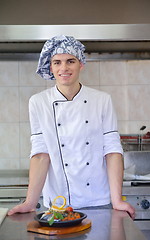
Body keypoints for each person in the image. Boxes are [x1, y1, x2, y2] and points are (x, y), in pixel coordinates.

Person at [8, 35, 135, 219]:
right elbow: (41, 154)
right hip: (58, 203)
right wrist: (29, 202)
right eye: (57, 62)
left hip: (97, 199)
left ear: (80, 64)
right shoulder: (38, 102)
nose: (64, 68)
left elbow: (112, 151)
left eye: (70, 61)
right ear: (50, 67)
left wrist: (117, 200)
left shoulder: (102, 100)